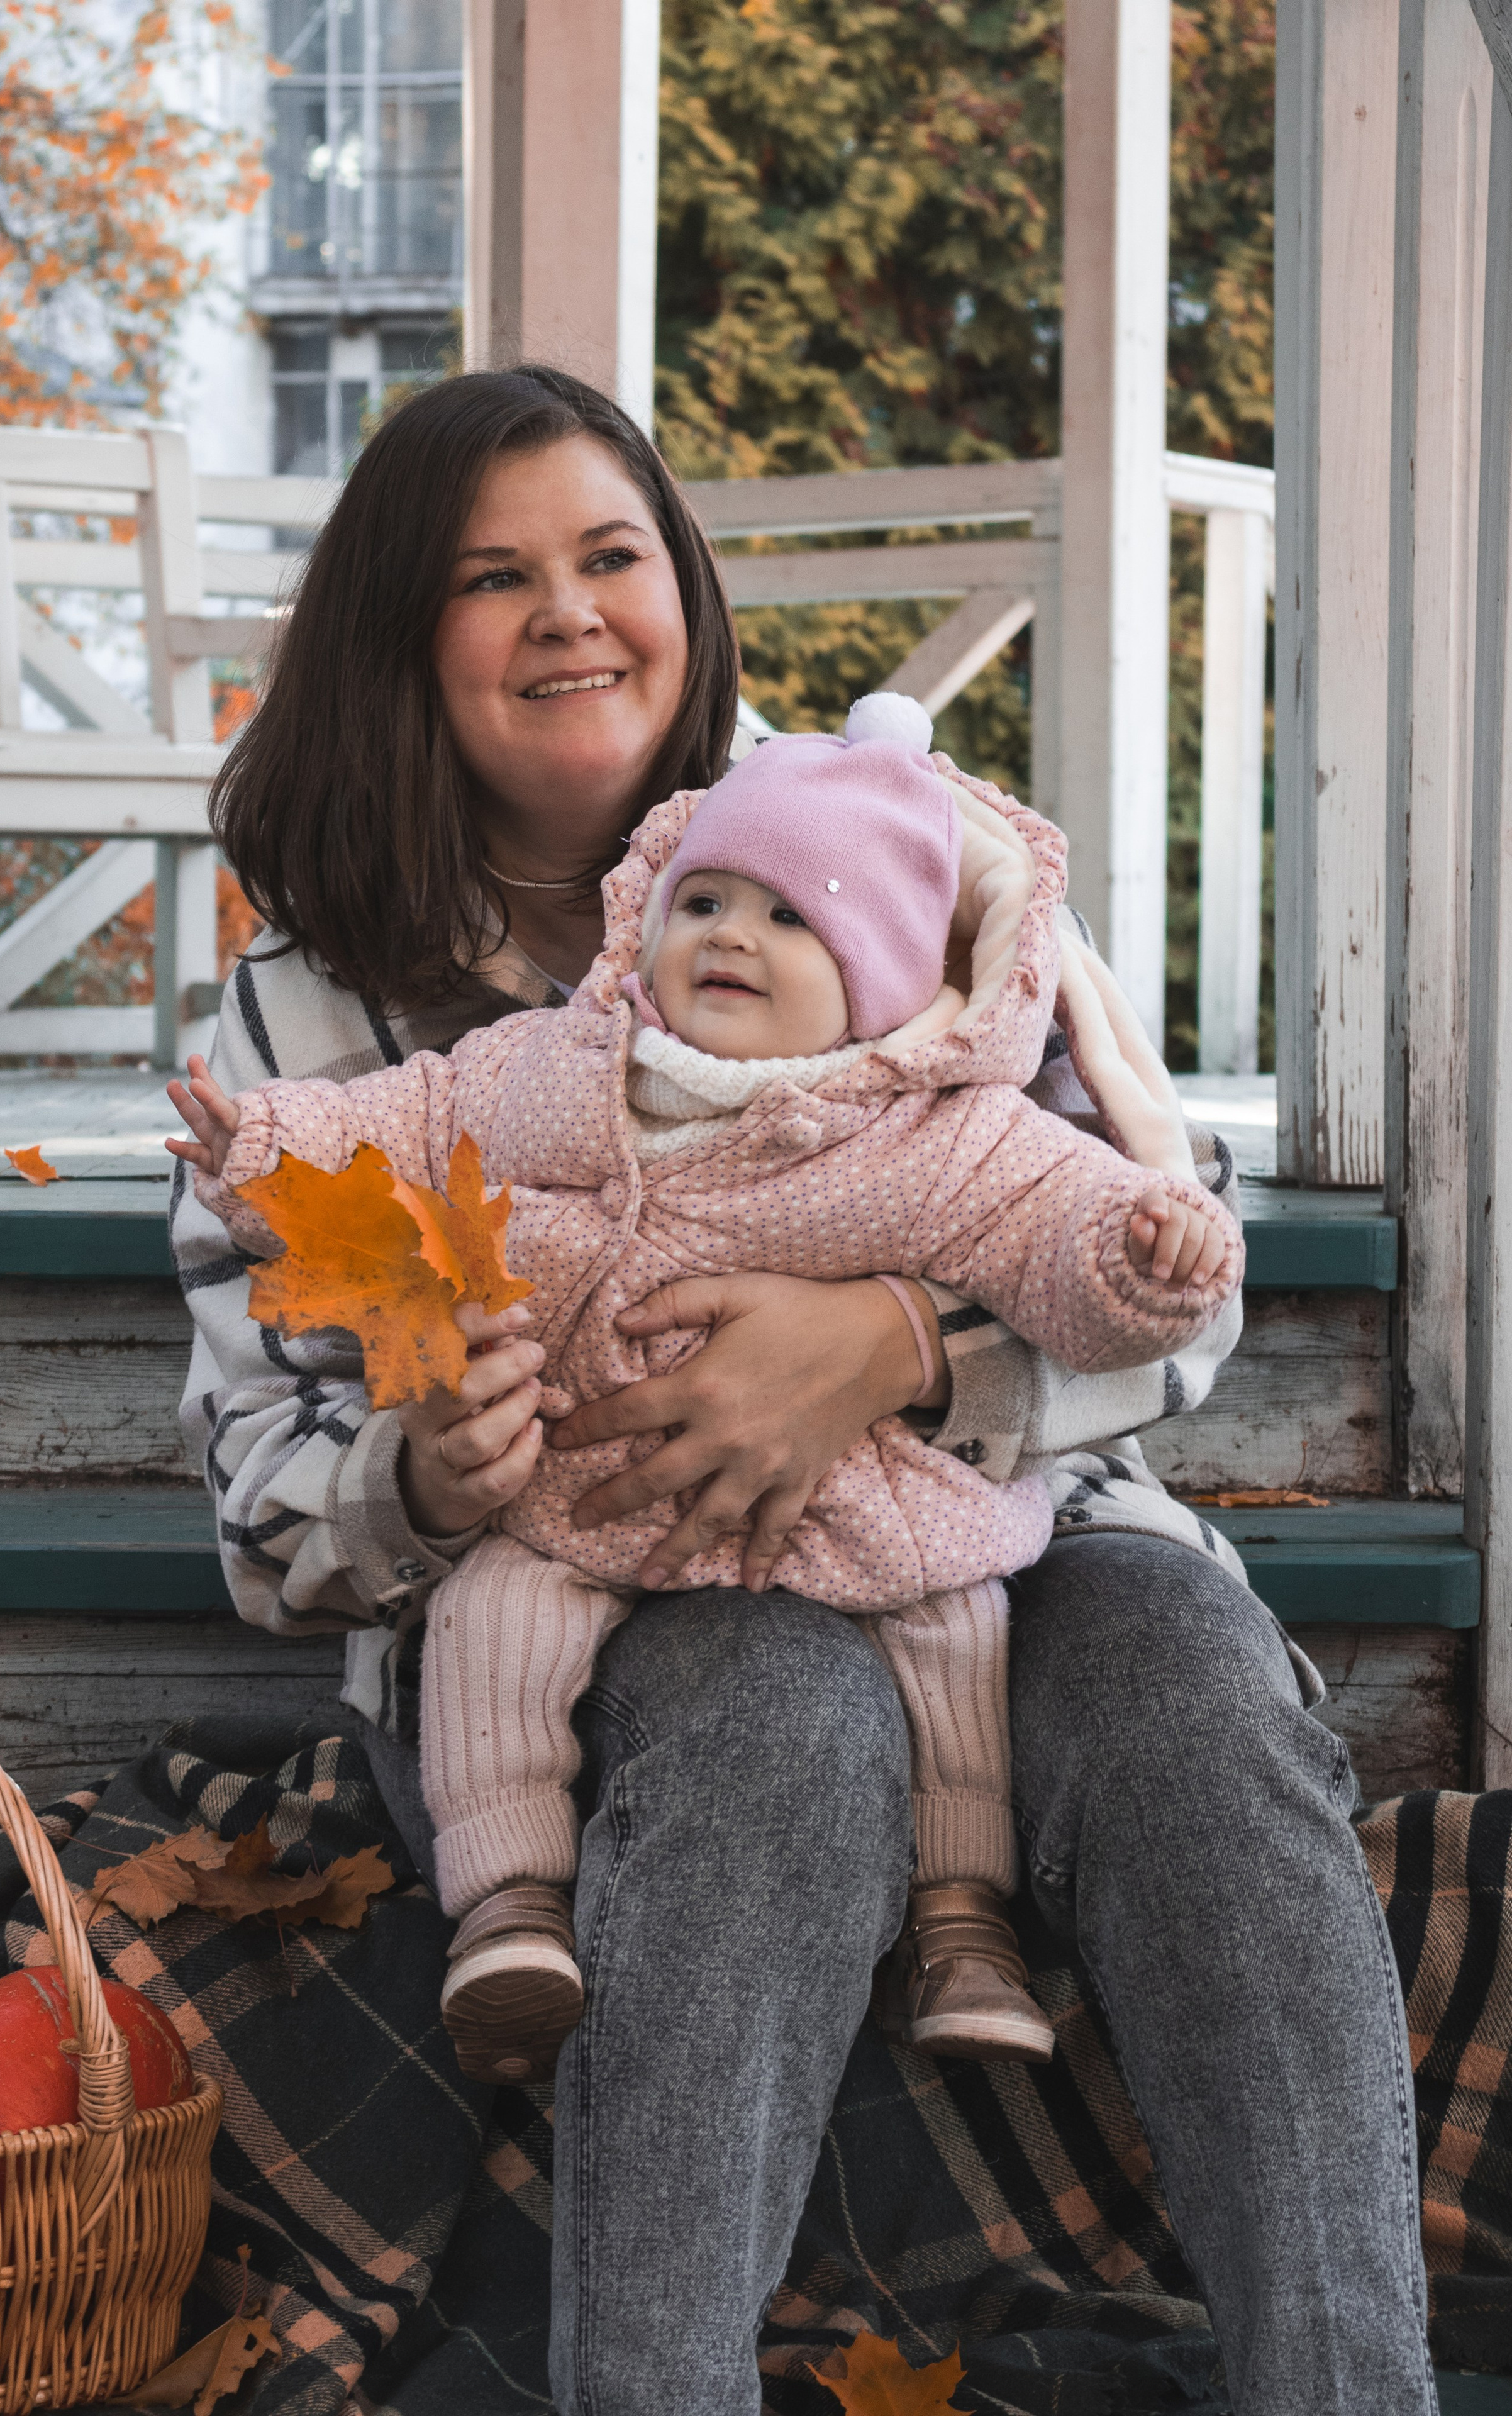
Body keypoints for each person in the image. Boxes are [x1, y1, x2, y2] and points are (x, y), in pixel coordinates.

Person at [170, 364, 1438, 2416]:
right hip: (585, 1602)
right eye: (495, 579)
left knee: (1188, 1675)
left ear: (685, 587)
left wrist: (907, 1346)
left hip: (993, 1523)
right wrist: (422, 1472)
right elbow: (270, 1503)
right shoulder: (314, 1001)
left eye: (612, 554)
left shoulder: (902, 849)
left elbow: (1172, 1289)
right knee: (773, 1711)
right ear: (409, 644)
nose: (571, 613)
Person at [169, 694, 1242, 2084]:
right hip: (577, 1492)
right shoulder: (568, 1064)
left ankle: (961, 1916)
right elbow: (404, 1120)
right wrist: (262, 1144)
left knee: (960, 1634)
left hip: (865, 1512)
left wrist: (1089, 1276)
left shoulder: (931, 1085)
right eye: (709, 904)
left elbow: (1079, 1232)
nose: (735, 935)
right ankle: (505, 1898)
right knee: (506, 1620)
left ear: (884, 978)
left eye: (794, 922)